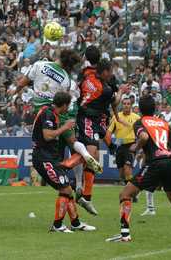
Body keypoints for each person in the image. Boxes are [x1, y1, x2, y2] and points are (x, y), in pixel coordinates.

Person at [107, 95, 171, 242]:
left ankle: (125, 235)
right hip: (169, 160)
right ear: (155, 108)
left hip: (155, 163)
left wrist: (135, 147)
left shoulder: (140, 122)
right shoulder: (164, 123)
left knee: (125, 194)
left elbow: (144, 137)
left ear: (139, 108)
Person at [14, 49, 102, 175]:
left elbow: (22, 82)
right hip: (61, 112)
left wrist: (14, 91)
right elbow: (63, 99)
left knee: (45, 140)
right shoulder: (66, 79)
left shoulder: (40, 65)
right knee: (73, 142)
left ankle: (57, 168)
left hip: (44, 112)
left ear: (59, 55)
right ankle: (85, 153)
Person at [32, 91, 95, 232]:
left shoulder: (51, 112)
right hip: (43, 158)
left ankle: (76, 223)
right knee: (65, 188)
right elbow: (47, 136)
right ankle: (57, 225)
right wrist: (65, 127)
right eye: (68, 105)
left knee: (67, 189)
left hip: (50, 157)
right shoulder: (48, 114)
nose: (69, 109)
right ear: (64, 105)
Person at [77, 49, 126, 215]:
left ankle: (86, 196)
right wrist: (121, 91)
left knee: (95, 157)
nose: (112, 74)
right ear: (104, 71)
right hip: (87, 118)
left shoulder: (85, 73)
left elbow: (79, 88)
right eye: (110, 71)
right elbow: (116, 101)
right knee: (91, 156)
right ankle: (74, 182)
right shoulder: (105, 89)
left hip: (94, 117)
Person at [105, 97, 140, 189]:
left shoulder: (136, 118)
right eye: (124, 104)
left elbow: (142, 133)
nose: (126, 106)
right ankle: (128, 187)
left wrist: (139, 145)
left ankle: (132, 192)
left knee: (127, 168)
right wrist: (109, 145)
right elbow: (109, 132)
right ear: (122, 105)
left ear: (131, 105)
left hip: (131, 145)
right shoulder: (116, 117)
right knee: (122, 173)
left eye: (128, 104)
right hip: (119, 146)